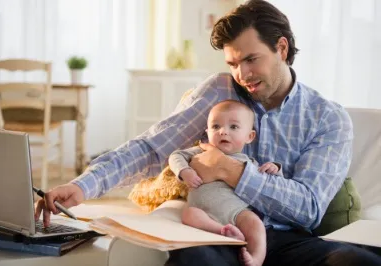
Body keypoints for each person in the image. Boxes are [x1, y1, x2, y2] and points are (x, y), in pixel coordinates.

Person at [35, 0, 381, 265]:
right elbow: (152, 149)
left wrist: (229, 169)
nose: (242, 74)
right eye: (232, 63)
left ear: (282, 49)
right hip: (217, 232)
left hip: (289, 238)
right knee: (193, 259)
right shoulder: (218, 92)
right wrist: (82, 185)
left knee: (358, 261)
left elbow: (307, 208)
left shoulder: (327, 117)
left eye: (250, 59)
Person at [169, 100, 282, 266]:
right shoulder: (201, 151)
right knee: (188, 214)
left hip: (237, 212)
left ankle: (256, 259)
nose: (223, 132)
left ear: (249, 136)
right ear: (207, 132)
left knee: (256, 224)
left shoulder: (248, 162)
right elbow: (176, 156)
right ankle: (222, 231)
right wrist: (185, 172)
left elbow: (268, 184)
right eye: (215, 127)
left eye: (234, 127)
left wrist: (275, 169)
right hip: (203, 212)